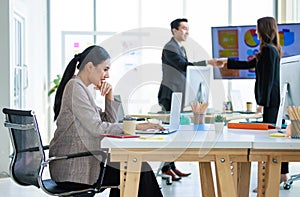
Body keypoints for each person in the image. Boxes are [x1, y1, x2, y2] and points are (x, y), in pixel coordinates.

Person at [49, 45, 164, 197]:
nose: (107, 75)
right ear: (90, 66)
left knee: (134, 166)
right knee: (136, 168)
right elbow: (98, 128)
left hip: (84, 162)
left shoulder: (81, 87)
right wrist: (137, 126)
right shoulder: (75, 88)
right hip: (74, 168)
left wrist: (109, 96)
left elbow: (107, 121)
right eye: (105, 69)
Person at [218, 16, 288, 192]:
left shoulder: (270, 51)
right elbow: (249, 64)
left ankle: (273, 179)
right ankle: (281, 175)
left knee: (270, 141)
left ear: (264, 29)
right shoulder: (268, 50)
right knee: (274, 138)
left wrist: (262, 102)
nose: (255, 32)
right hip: (270, 101)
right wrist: (227, 62)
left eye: (257, 29)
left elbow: (270, 79)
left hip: (271, 102)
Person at [157, 18, 222, 181]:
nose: (187, 32)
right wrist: (207, 62)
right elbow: (183, 65)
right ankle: (166, 168)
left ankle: (171, 166)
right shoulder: (170, 47)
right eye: (184, 28)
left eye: (188, 28)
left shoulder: (180, 48)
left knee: (175, 130)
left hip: (177, 94)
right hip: (169, 94)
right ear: (174, 30)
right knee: (171, 132)